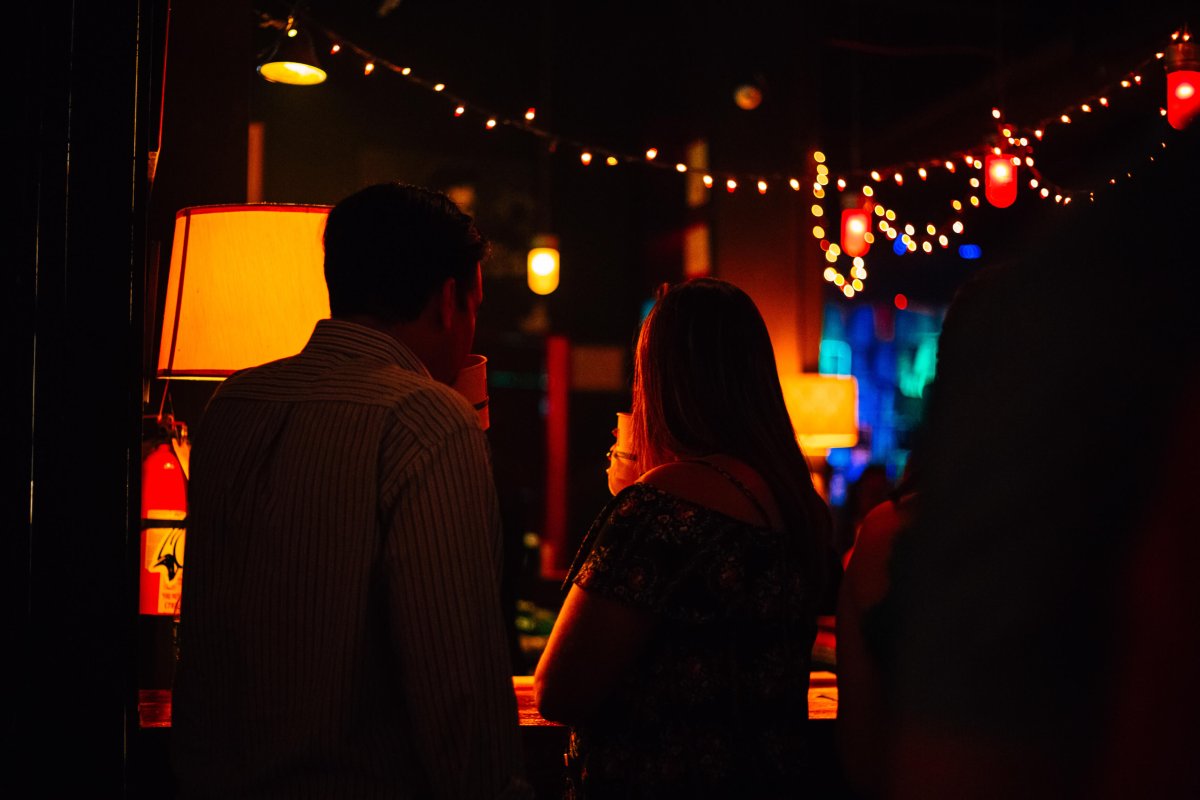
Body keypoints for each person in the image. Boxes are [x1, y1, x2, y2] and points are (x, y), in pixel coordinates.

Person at [171, 183, 529, 798]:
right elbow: (460, 695)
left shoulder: (232, 405)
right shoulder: (427, 419)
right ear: (450, 301)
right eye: (476, 306)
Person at [534, 277, 835, 798]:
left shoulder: (663, 506)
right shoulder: (791, 502)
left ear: (660, 381)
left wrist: (632, 499)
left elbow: (559, 691)